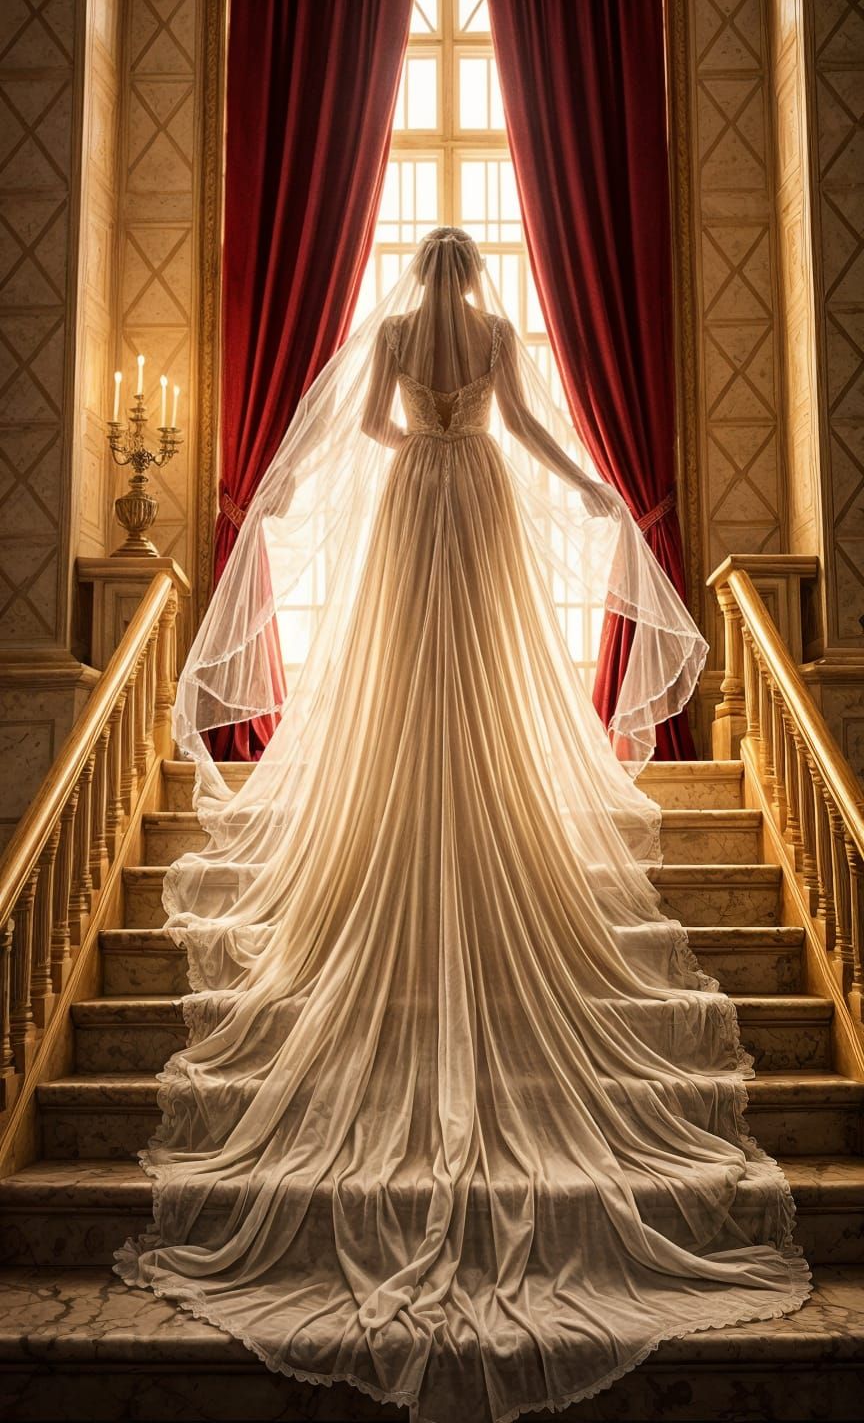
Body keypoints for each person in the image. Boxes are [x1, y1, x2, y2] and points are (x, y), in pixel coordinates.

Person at [115, 228, 810, 1423]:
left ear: (418, 280)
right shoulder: (492, 336)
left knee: (401, 670)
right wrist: (578, 482)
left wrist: (422, 441)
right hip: (480, 494)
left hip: (414, 499)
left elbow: (369, 429)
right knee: (482, 663)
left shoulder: (392, 335)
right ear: (473, 280)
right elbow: (529, 429)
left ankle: (412, 787)